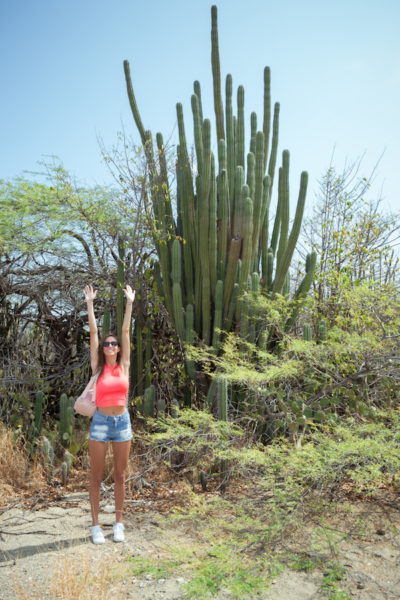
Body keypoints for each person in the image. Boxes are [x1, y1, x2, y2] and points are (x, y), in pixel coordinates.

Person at [84, 283, 135, 544]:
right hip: (101, 422)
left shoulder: (124, 365)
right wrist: (90, 304)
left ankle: (118, 523)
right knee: (96, 476)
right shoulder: (98, 367)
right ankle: (94, 525)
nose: (111, 346)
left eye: (114, 343)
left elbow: (126, 330)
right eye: (107, 344)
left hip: (123, 422)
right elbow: (93, 331)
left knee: (120, 476)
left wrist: (129, 304)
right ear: (103, 348)